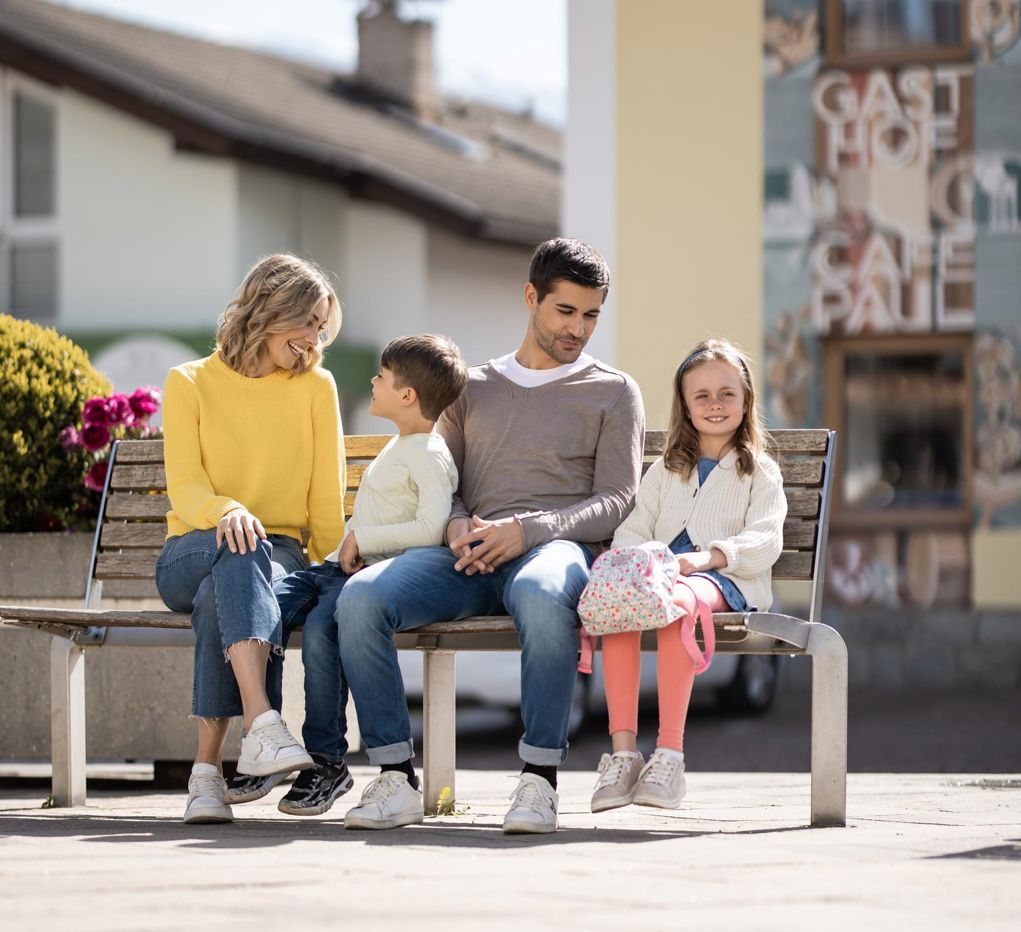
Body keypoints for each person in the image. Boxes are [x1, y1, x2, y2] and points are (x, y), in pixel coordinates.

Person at [336, 238, 645, 834]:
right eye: (565, 311)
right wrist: (454, 523)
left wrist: (529, 530)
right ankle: (396, 777)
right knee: (361, 598)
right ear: (531, 297)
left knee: (540, 590)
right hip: (465, 555)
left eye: (591, 315)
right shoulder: (470, 387)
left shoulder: (613, 391)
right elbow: (442, 477)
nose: (577, 328)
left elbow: (617, 501)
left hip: (552, 550)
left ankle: (538, 782)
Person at [155, 253, 344, 825]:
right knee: (235, 546)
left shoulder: (316, 387)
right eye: (307, 321)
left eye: (320, 324)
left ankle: (206, 774)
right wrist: (227, 510)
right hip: (192, 545)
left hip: (276, 554)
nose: (315, 337)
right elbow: (185, 487)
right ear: (270, 310)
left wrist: (335, 568)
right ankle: (263, 720)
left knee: (228, 585)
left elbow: (326, 499)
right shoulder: (188, 382)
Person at [252, 335, 468, 817]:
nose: (372, 381)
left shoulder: (428, 454)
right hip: (330, 568)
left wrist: (362, 538)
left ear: (407, 395)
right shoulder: (401, 444)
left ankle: (326, 760)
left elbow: (432, 528)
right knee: (263, 613)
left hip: (358, 576)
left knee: (325, 637)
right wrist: (352, 538)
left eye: (382, 376)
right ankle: (261, 737)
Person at [589, 338, 787, 813]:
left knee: (679, 602)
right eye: (701, 396)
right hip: (660, 574)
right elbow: (633, 529)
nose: (714, 404)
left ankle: (670, 755)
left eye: (726, 394)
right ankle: (622, 754)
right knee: (623, 610)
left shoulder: (758, 472)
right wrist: (637, 565)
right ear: (685, 405)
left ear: (746, 401)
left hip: (726, 582)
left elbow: (766, 539)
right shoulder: (664, 471)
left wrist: (707, 558)